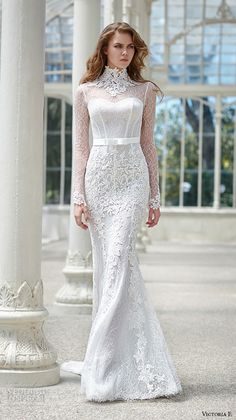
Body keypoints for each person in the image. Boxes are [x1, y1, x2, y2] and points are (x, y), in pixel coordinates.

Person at [60, 22, 183, 402]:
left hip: (132, 181)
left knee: (118, 262)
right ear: (105, 49)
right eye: (118, 46)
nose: (125, 52)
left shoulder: (144, 91)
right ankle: (108, 358)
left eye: (130, 46)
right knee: (109, 267)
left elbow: (149, 146)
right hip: (98, 181)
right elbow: (81, 148)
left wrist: (154, 197)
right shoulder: (85, 92)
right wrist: (77, 196)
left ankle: (103, 362)